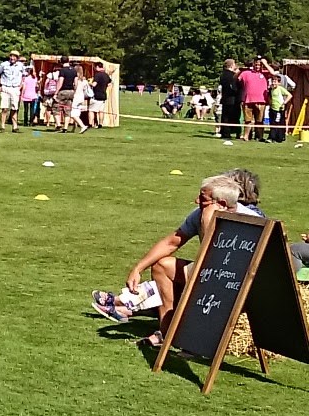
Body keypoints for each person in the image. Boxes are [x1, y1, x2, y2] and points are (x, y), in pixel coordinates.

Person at [108, 174, 245, 347]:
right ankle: (167, 334)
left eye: (203, 199)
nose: (196, 201)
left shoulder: (249, 223)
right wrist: (138, 269)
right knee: (162, 266)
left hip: (239, 280)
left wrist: (207, 220)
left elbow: (219, 256)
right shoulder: (199, 214)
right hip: (207, 270)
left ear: (222, 204)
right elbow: (171, 242)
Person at [239, 57, 271, 141]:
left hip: (261, 101)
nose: (257, 66)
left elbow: (273, 73)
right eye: (256, 64)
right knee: (247, 120)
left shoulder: (265, 73)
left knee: (259, 120)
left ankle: (259, 137)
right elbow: (236, 78)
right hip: (248, 100)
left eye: (259, 65)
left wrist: (265, 63)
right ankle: (246, 136)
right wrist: (240, 70)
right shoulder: (246, 73)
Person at [0, 51, 25, 132]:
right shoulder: (4, 64)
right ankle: (2, 126)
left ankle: (15, 127)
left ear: (17, 58)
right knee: (4, 108)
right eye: (11, 56)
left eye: (14, 56)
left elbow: (23, 76)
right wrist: (0, 84)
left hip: (15, 88)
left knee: (15, 108)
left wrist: (20, 85)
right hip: (5, 87)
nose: (12, 58)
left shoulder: (21, 65)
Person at [218, 58, 243, 141]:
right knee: (233, 117)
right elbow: (234, 87)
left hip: (225, 98)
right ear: (232, 65)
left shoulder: (223, 74)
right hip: (233, 99)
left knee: (225, 116)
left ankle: (224, 132)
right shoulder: (232, 75)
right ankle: (231, 133)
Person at [90, 62, 113, 129]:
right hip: (103, 95)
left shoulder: (97, 75)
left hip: (96, 95)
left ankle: (90, 124)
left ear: (97, 67)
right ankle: (100, 124)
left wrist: (89, 83)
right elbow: (110, 83)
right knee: (101, 111)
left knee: (91, 110)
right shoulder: (106, 75)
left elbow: (94, 84)